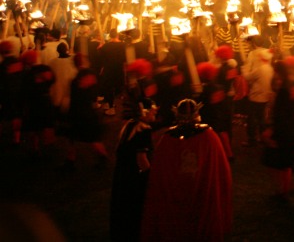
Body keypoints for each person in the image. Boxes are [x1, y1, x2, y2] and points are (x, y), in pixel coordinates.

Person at [140, 99, 232, 242]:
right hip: (201, 186)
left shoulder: (168, 138)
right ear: (197, 114)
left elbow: (161, 169)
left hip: (176, 189)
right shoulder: (209, 135)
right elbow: (220, 169)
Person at [110, 98, 156, 242]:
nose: (155, 113)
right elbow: (141, 158)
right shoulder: (144, 129)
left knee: (122, 206)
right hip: (133, 176)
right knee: (135, 208)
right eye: (153, 111)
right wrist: (150, 176)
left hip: (121, 173)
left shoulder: (129, 125)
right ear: (144, 112)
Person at [261, 61, 294, 201]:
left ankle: (281, 190)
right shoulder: (291, 86)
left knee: (275, 162)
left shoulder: (284, 90)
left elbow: (281, 114)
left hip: (283, 130)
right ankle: (286, 188)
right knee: (285, 163)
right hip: (291, 129)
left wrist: (271, 130)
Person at [62, 53, 108, 171]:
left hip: (80, 112)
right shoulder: (90, 75)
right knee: (79, 138)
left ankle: (103, 158)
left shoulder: (81, 77)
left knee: (88, 138)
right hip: (84, 111)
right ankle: (70, 161)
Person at [241, 38, 274, 147]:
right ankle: (261, 136)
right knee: (261, 117)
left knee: (252, 117)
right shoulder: (270, 67)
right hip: (265, 94)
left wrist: (244, 69)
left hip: (256, 94)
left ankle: (252, 138)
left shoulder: (254, 57)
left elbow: (248, 76)